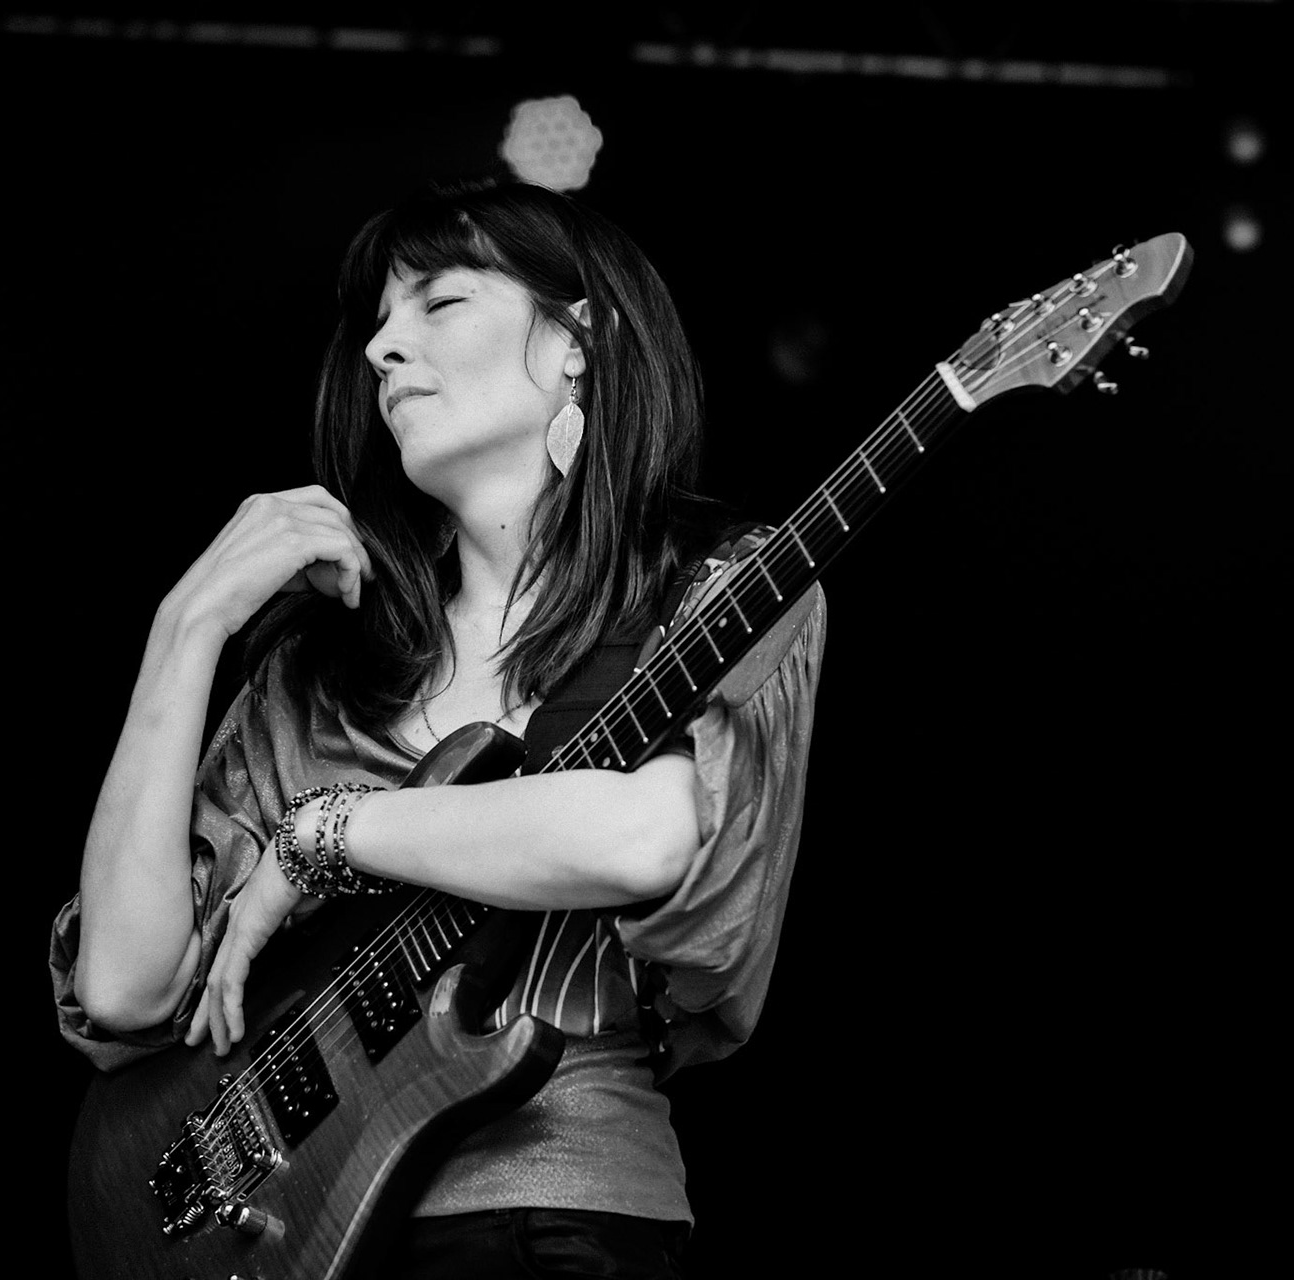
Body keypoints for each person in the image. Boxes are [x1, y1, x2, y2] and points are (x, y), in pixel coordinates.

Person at [49, 177, 825, 1278]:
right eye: (375, 318)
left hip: (552, 1220)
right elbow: (127, 989)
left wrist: (330, 828)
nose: (379, 346)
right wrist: (190, 626)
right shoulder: (322, 669)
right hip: (295, 1234)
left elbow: (641, 839)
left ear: (577, 343)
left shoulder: (712, 594)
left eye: (437, 302)